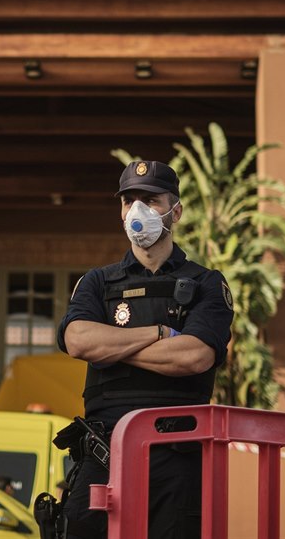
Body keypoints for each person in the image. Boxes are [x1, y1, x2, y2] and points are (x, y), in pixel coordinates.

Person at [57, 160, 233, 539]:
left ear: (176, 211)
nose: (136, 211)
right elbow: (78, 341)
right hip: (105, 452)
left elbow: (195, 356)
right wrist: (160, 332)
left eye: (150, 200)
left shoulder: (205, 283)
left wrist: (111, 348)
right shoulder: (98, 282)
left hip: (178, 458)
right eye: (128, 201)